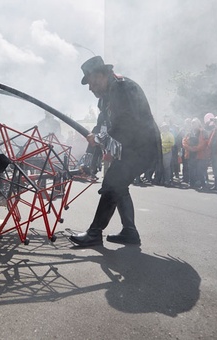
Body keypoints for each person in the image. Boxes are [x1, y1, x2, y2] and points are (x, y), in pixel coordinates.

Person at [69, 56, 161, 247]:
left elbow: (126, 124)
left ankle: (94, 233)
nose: (90, 87)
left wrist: (100, 139)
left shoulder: (123, 88)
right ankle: (130, 232)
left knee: (112, 182)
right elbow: (99, 127)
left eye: (92, 82)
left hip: (143, 146)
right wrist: (88, 160)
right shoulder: (105, 98)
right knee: (119, 185)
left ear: (102, 75)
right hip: (130, 148)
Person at [182, 118, 209, 190]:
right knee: (191, 170)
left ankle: (203, 185)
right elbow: (184, 141)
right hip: (190, 154)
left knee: (200, 170)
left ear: (198, 124)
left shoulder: (203, 132)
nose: (193, 125)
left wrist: (195, 148)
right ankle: (192, 184)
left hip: (200, 155)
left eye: (195, 123)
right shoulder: (189, 133)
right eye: (192, 123)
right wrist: (189, 148)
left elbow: (205, 143)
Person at [160, 122, 175, 187]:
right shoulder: (161, 135)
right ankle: (162, 179)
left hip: (167, 152)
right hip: (161, 153)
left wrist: (164, 146)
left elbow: (172, 143)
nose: (164, 129)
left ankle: (167, 180)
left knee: (167, 167)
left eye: (165, 127)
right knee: (162, 167)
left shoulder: (170, 135)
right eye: (163, 128)